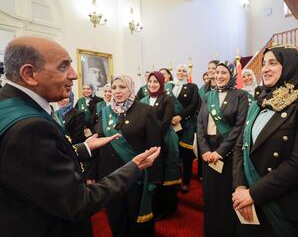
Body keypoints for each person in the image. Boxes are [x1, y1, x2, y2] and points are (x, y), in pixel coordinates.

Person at [0, 36, 160, 237]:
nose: (75, 75)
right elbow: (78, 202)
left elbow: (36, 161)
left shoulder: (8, 105)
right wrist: (134, 167)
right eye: (63, 66)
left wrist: (84, 147)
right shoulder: (30, 128)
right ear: (30, 74)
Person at [232, 45, 298, 237]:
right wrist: (240, 186)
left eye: (273, 63)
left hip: (287, 204)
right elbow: (241, 146)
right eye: (264, 63)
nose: (265, 68)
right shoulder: (259, 102)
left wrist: (253, 194)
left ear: (290, 66)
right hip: (250, 201)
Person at [88, 75, 162, 237]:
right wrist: (92, 174)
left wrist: (154, 178)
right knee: (116, 218)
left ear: (131, 89)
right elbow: (97, 143)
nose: (117, 91)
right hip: (109, 175)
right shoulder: (104, 111)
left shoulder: (145, 110)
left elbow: (154, 147)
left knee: (137, 220)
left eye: (122, 87)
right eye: (114, 88)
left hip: (137, 175)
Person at [197, 61, 249, 237]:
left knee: (226, 197)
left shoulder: (240, 95)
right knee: (211, 197)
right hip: (208, 153)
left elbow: (239, 127)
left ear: (232, 75)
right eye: (217, 72)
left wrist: (219, 152)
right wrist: (204, 150)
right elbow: (200, 124)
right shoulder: (207, 95)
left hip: (229, 153)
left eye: (224, 73)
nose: (219, 76)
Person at [141, 71, 180, 219]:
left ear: (161, 83)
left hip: (164, 139)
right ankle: (154, 206)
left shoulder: (167, 98)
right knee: (152, 174)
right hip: (148, 142)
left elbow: (165, 121)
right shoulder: (143, 99)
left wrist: (154, 138)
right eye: (150, 81)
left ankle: (167, 207)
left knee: (166, 173)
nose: (152, 84)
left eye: (155, 82)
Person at [172, 64, 199, 193]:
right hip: (171, 125)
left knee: (186, 155)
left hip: (187, 125)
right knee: (174, 154)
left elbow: (194, 105)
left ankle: (186, 182)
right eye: (179, 70)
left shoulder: (192, 87)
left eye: (184, 71)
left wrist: (180, 117)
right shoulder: (169, 87)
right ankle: (176, 179)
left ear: (187, 74)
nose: (181, 73)